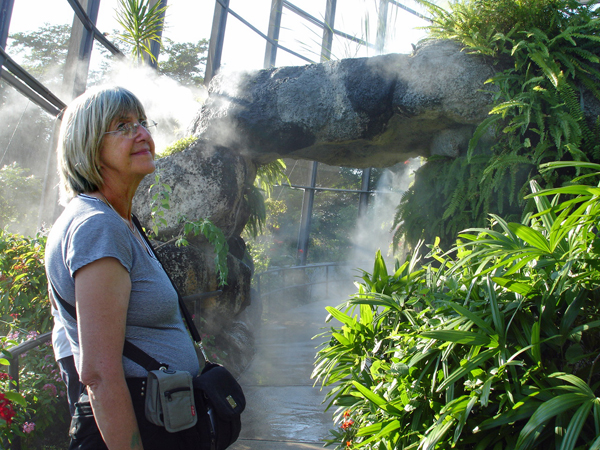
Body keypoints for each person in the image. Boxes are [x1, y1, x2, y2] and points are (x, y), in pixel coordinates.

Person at [45, 86, 205, 450]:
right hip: (140, 424)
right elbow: (98, 372)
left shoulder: (116, 221)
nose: (143, 134)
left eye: (142, 122)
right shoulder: (97, 227)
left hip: (160, 417)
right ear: (88, 145)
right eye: (122, 125)